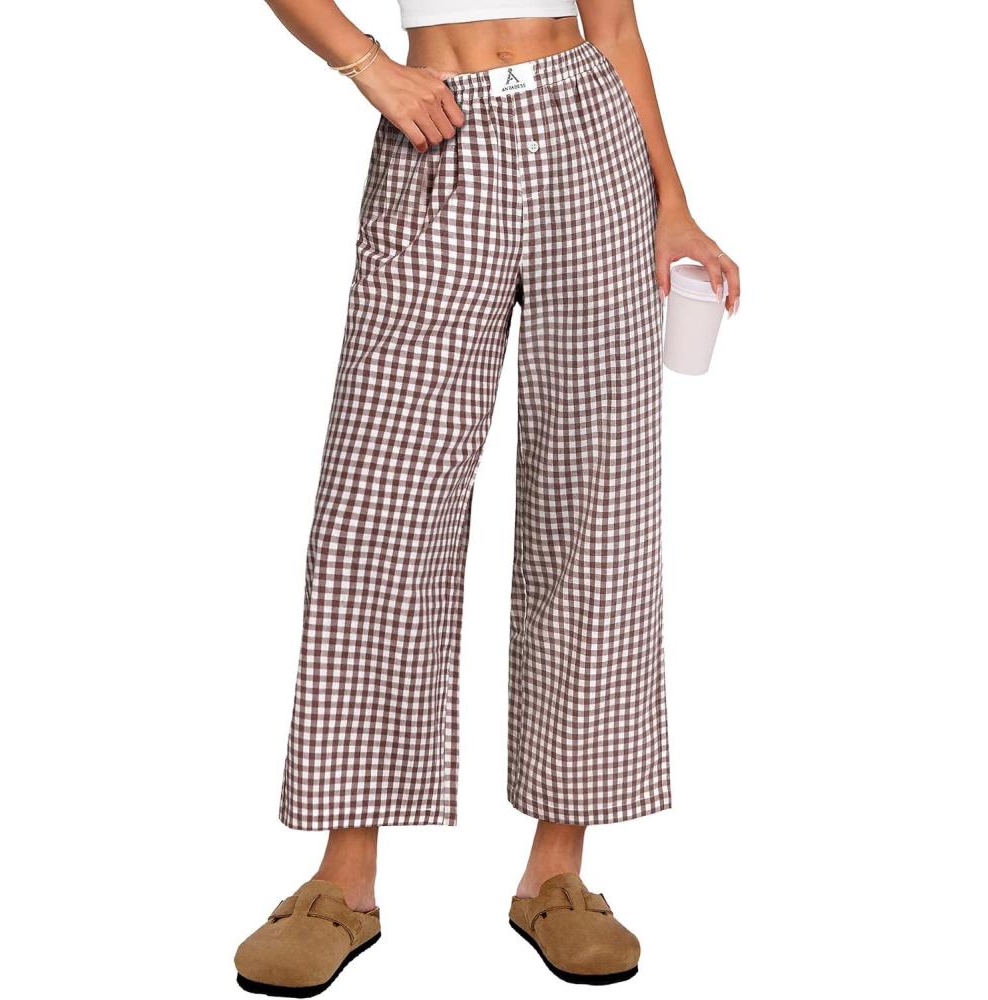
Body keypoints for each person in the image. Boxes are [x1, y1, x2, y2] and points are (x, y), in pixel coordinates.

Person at [234, 1, 739, 993]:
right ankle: (344, 881)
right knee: (379, 515)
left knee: (595, 503)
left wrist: (672, 202)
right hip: (438, 135)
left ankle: (557, 873)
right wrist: (366, 66)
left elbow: (615, 26)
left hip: (588, 140)